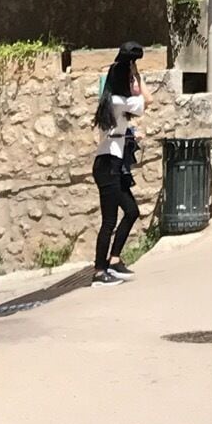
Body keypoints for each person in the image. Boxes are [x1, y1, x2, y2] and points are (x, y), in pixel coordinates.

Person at [93, 44, 146, 283]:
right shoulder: (117, 101)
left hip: (111, 163)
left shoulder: (114, 102)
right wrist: (137, 74)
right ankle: (99, 271)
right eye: (129, 79)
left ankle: (114, 259)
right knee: (109, 221)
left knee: (132, 211)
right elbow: (145, 101)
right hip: (109, 165)